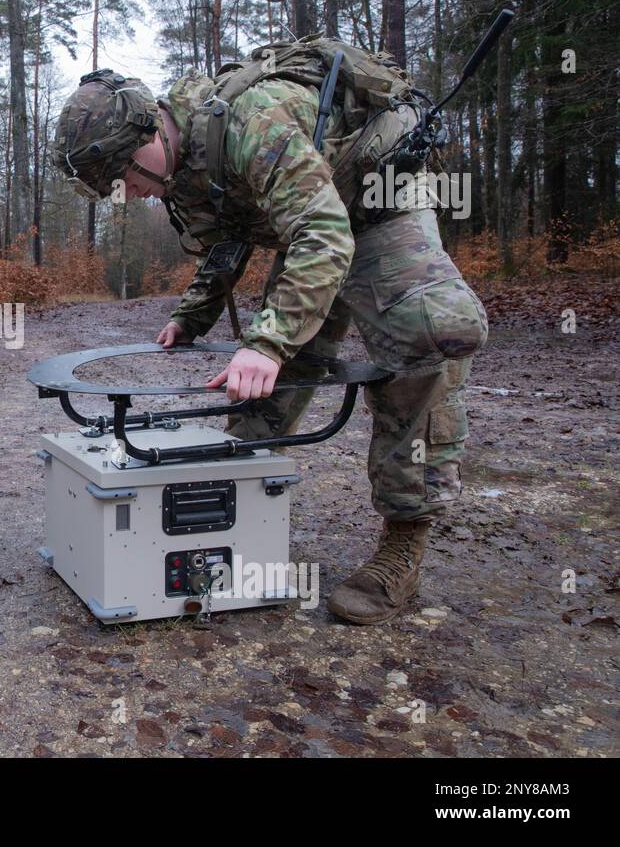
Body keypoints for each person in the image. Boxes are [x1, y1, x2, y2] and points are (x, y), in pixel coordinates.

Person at [52, 41, 488, 625]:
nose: (126, 194)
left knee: (430, 331)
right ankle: (239, 521)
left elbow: (324, 233)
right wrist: (195, 314)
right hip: (314, 217)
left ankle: (403, 543)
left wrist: (265, 342)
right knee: (264, 386)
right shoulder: (182, 164)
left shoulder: (255, 120)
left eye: (123, 178)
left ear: (150, 137)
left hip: (378, 201)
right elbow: (227, 234)